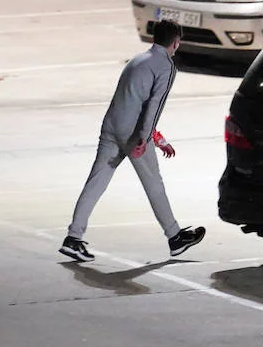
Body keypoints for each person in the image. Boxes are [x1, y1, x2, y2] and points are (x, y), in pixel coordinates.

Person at [60, 20, 205, 262]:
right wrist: (146, 138)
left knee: (95, 182)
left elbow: (132, 100)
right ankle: (175, 237)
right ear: (176, 43)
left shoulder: (137, 60)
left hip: (111, 126)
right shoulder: (166, 67)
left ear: (154, 39)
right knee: (153, 184)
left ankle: (73, 238)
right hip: (133, 133)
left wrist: (158, 139)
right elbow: (153, 107)